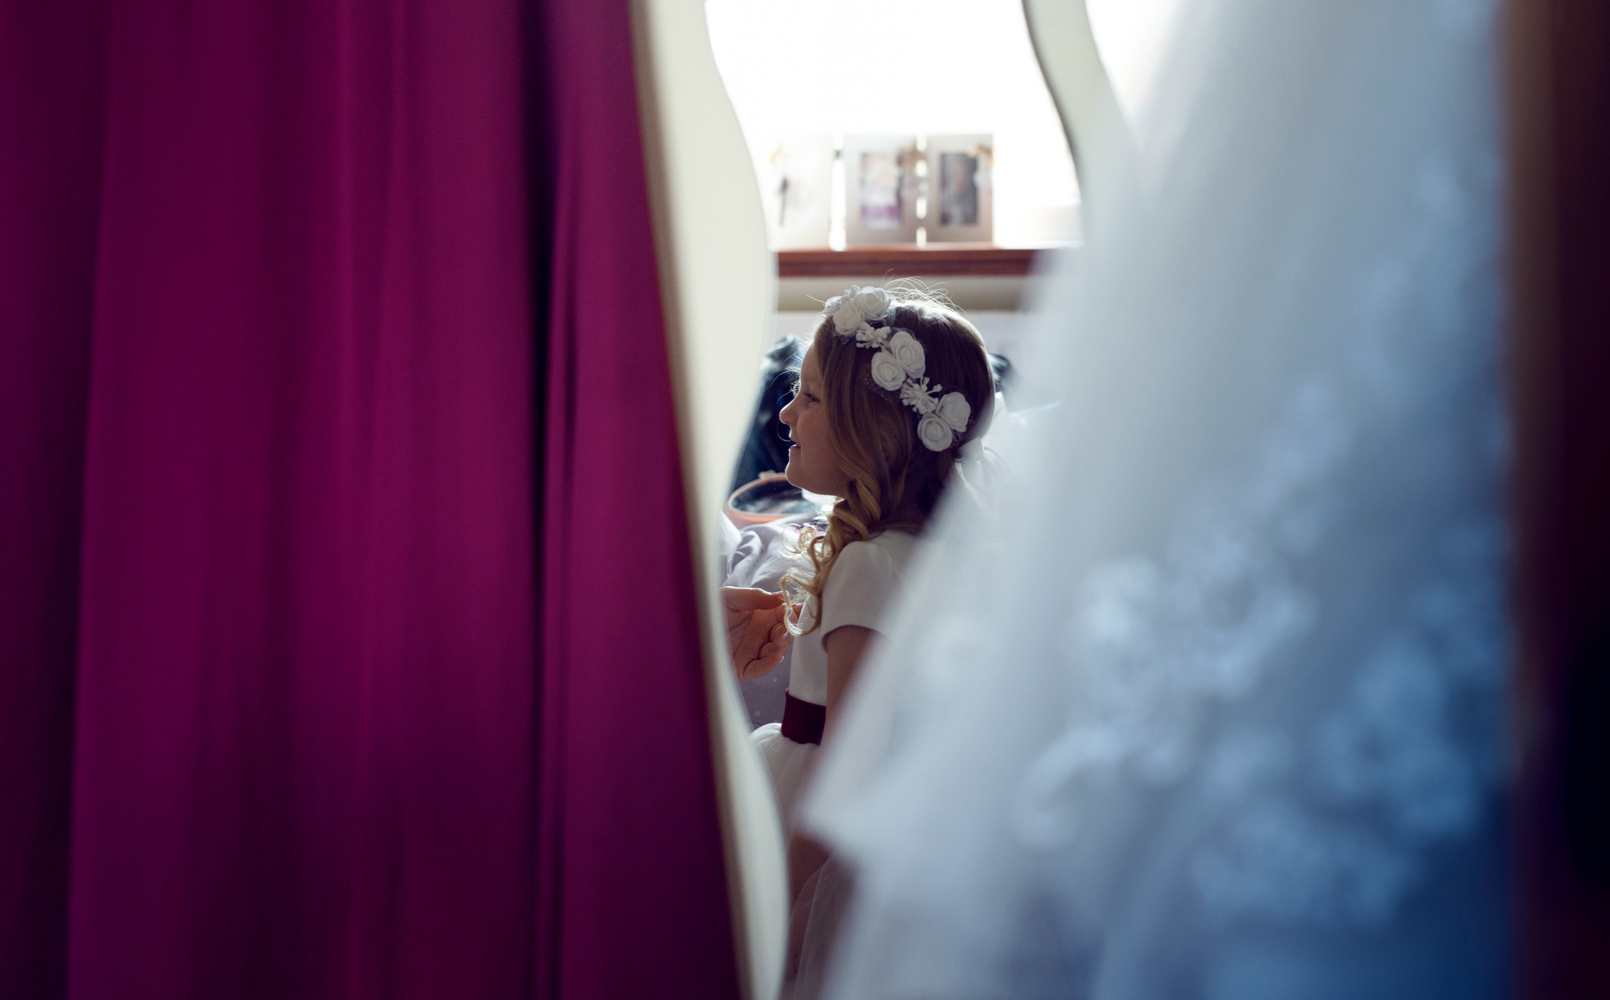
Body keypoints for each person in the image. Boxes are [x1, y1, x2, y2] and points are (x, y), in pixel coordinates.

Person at [741, 284, 996, 998]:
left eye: (811, 398)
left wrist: (772, 908)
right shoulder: (930, 552)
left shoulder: (866, 564)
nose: (787, 414)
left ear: (872, 425)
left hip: (825, 843)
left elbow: (846, 765)